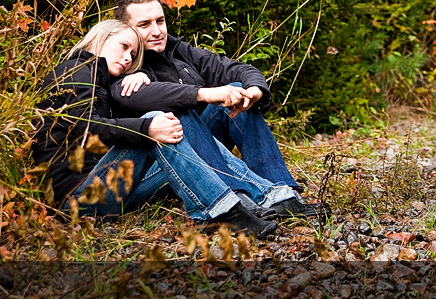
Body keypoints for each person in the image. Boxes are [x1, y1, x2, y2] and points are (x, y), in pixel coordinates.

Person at [32, 19, 296, 238]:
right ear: (100, 38)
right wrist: (147, 127)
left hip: (110, 186)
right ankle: (219, 209)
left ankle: (267, 195)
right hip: (78, 199)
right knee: (159, 121)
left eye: (133, 55)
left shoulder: (103, 80)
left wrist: (143, 86)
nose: (127, 58)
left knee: (170, 121)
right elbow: (87, 127)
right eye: (123, 47)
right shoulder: (74, 70)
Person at [110, 0, 327, 219]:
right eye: (144, 25)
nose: (156, 31)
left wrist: (253, 90)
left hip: (201, 152)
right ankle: (239, 198)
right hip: (156, 166)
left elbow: (235, 69)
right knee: (178, 114)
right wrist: (204, 94)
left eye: (160, 21)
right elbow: (138, 97)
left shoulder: (177, 51)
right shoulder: (123, 63)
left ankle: (282, 194)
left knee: (237, 92)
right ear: (125, 29)